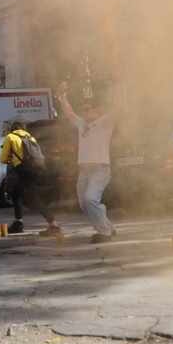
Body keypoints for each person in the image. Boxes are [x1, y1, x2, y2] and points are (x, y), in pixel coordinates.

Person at [57, 81, 118, 244]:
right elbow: (69, 112)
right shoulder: (81, 124)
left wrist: (119, 85)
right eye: (83, 110)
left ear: (97, 110)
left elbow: (116, 108)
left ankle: (104, 233)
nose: (84, 112)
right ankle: (109, 228)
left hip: (100, 169)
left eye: (88, 109)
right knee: (85, 204)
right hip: (84, 171)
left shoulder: (105, 122)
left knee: (91, 199)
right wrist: (62, 96)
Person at [0, 121, 63, 236]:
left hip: (23, 171)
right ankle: (18, 223)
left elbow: (3, 159)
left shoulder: (10, 137)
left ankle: (54, 226)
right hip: (33, 170)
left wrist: (12, 160)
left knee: (35, 200)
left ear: (12, 129)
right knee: (15, 193)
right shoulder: (30, 137)